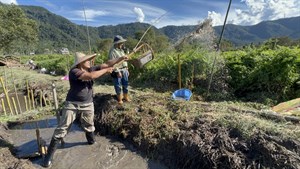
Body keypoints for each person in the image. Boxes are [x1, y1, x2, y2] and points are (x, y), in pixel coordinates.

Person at [43, 52, 128, 168]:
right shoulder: (74, 71)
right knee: (63, 127)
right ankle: (49, 156)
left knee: (89, 124)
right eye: (87, 60)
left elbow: (107, 63)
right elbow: (91, 76)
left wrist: (120, 59)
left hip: (88, 103)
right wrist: (107, 70)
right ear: (81, 63)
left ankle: (91, 142)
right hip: (72, 104)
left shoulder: (91, 68)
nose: (90, 62)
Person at [108, 35, 131, 104]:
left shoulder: (121, 50)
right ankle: (120, 99)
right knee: (118, 85)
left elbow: (124, 60)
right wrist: (117, 71)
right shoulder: (112, 51)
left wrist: (126, 68)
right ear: (117, 43)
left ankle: (126, 97)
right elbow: (112, 62)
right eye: (121, 43)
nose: (122, 44)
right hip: (117, 70)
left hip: (124, 70)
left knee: (125, 84)